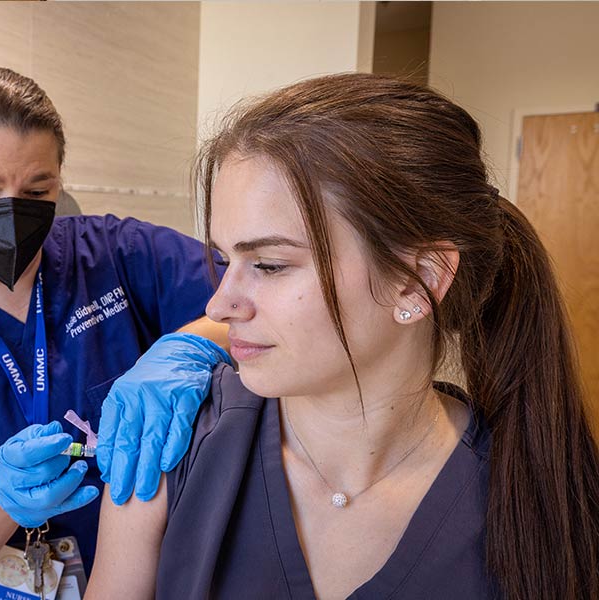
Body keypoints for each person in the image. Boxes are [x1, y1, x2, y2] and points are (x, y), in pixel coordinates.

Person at [85, 73, 599, 599]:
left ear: (416, 280)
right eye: (223, 259)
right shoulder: (170, 451)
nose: (218, 305)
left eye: (269, 264)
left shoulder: (538, 501)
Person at [0, 66, 230, 598]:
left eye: (38, 190)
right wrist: (1, 499)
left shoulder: (116, 256)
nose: (12, 212)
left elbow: (250, 299)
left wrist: (188, 346)